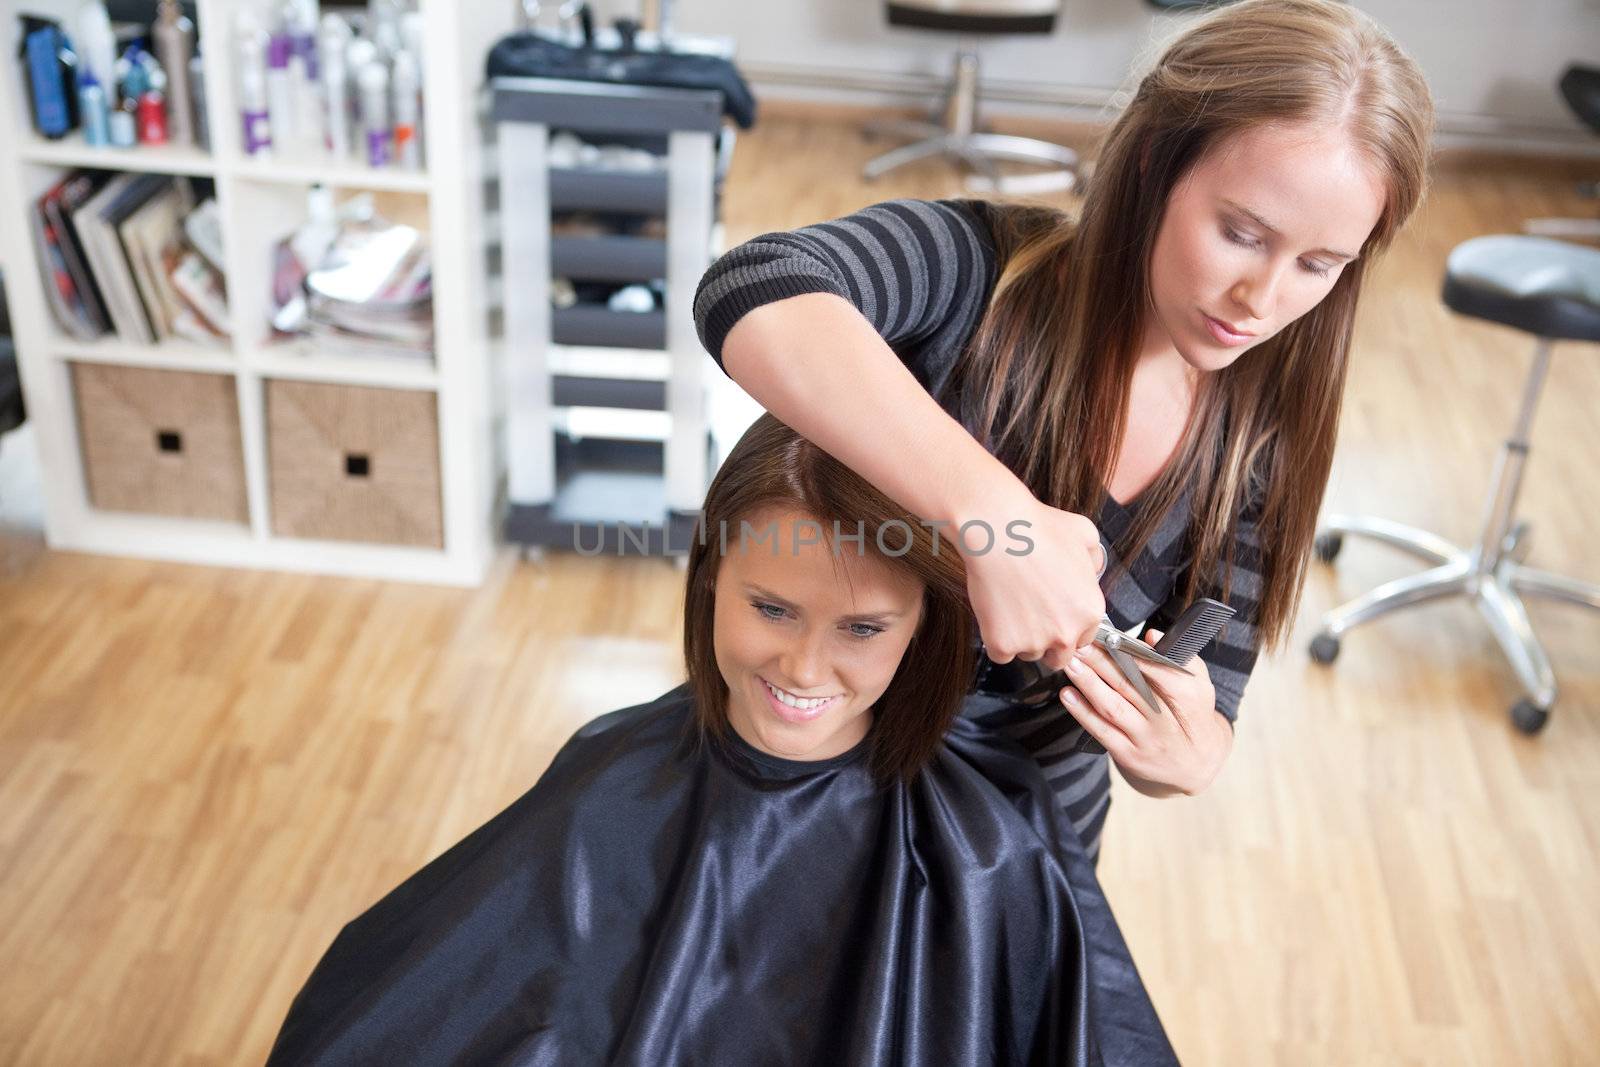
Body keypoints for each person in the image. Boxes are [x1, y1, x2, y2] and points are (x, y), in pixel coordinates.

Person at [693, 0, 1435, 861]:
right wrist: (997, 523)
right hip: (801, 790)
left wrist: (1181, 751)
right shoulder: (971, 270)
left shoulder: (1257, 443)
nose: (1262, 301)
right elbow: (752, 286)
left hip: (1023, 839)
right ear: (1158, 163)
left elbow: (1207, 714)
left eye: (1318, 266)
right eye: (1240, 233)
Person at [265, 414, 1179, 1066]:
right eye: (770, 608)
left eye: (861, 628)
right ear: (711, 579)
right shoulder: (609, 781)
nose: (804, 666)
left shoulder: (986, 855)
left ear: (924, 628)